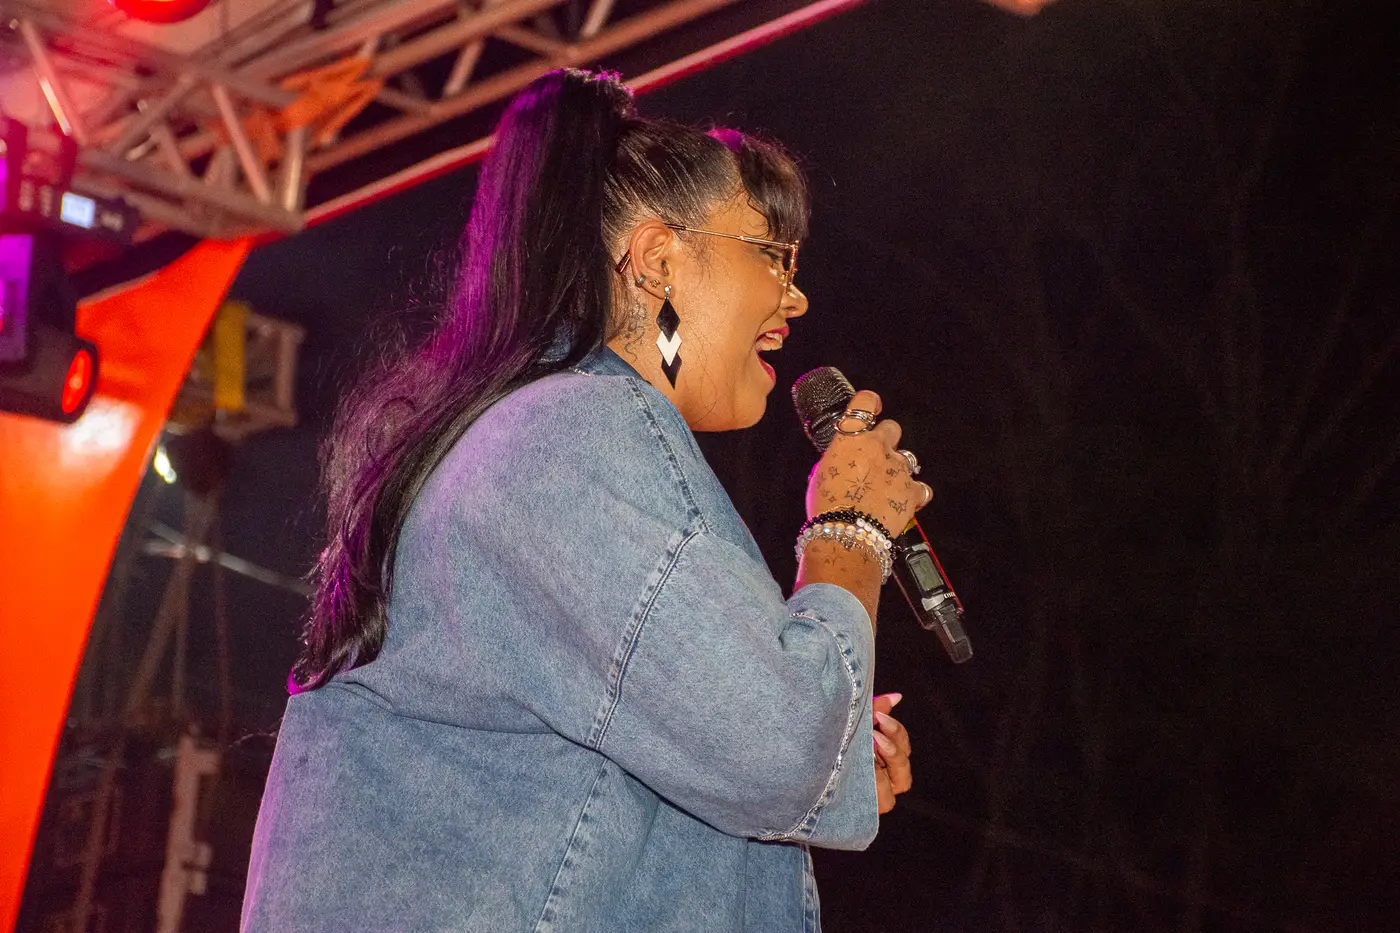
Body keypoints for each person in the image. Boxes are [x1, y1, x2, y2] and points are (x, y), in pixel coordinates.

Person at [241, 68, 931, 933]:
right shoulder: (571, 434)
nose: (795, 295)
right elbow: (780, 748)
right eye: (772, 254)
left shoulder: (532, 436)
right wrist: (849, 531)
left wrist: (829, 735)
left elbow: (736, 755)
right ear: (657, 260)